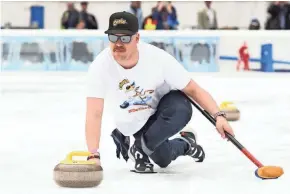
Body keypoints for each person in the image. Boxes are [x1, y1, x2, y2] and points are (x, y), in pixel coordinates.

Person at [85, 11, 235, 173]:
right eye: (113, 37)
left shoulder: (158, 59)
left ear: (137, 38)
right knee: (163, 160)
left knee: (181, 108)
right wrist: (93, 155)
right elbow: (94, 112)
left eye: (125, 38)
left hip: (162, 112)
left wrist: (219, 116)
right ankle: (186, 143)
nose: (118, 43)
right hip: (134, 123)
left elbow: (193, 89)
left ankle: (140, 148)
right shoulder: (100, 67)